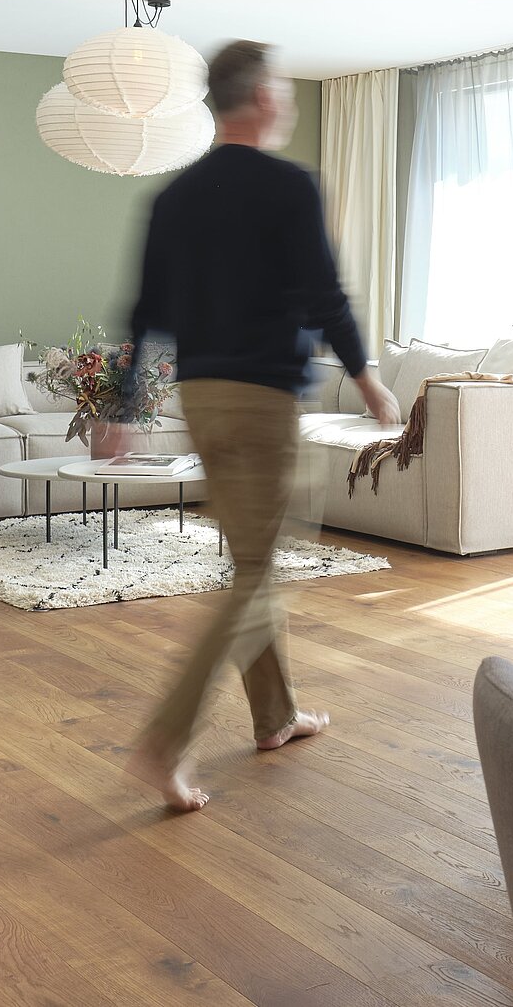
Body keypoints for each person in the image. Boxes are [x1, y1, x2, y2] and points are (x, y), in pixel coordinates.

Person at [122, 39, 399, 813]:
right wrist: (368, 375)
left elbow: (144, 311)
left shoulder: (173, 198)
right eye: (281, 88)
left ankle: (275, 717)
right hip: (264, 402)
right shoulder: (288, 187)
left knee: (252, 561)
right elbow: (325, 293)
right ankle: (165, 743)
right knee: (252, 574)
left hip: (202, 399)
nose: (287, 100)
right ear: (263, 100)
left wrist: (122, 407)